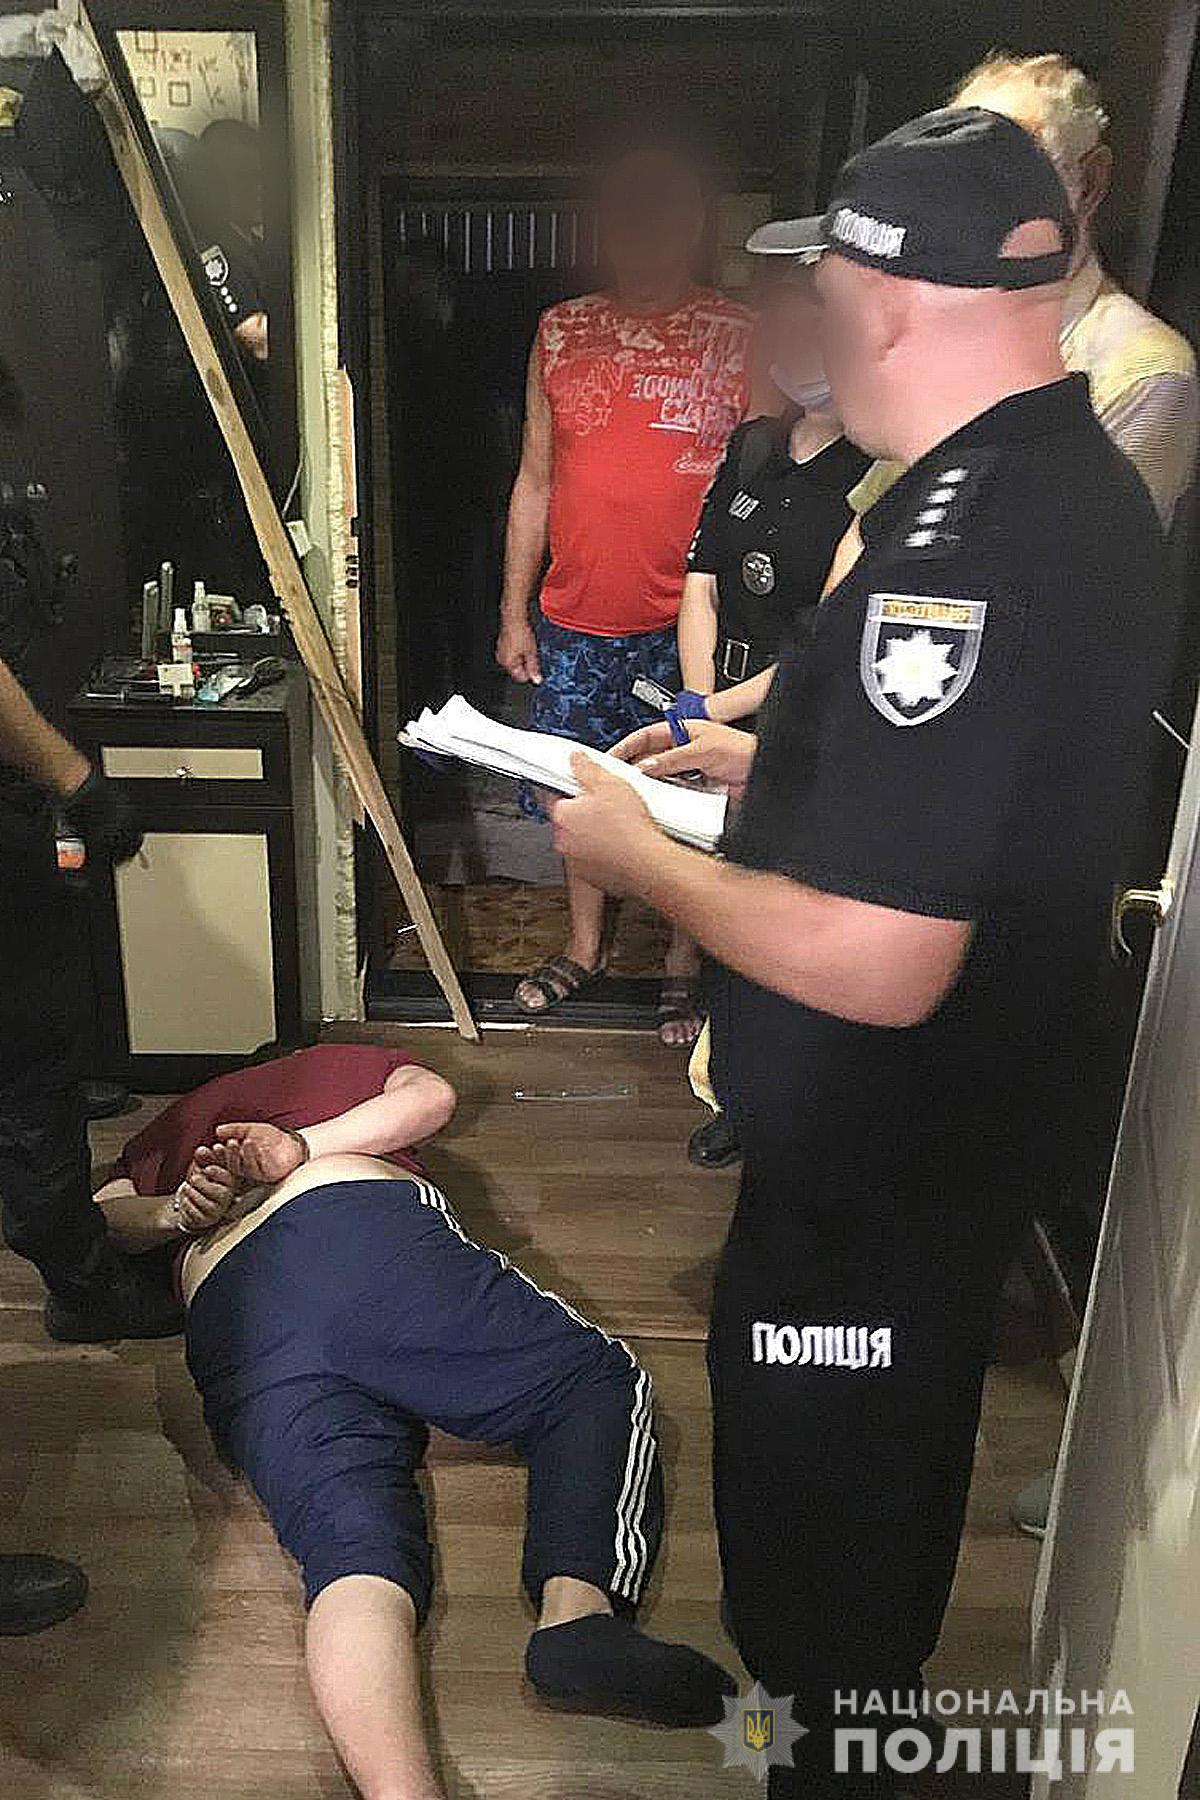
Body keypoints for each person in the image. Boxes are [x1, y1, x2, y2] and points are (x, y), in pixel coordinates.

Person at [546, 109, 1176, 1796]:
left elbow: (888, 958)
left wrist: (631, 857)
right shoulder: (1057, 483)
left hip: (881, 1175)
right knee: (854, 1534)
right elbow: (983, 798)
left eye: (823, 285)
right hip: (924, 1159)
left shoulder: (960, 553)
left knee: (827, 1570)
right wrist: (773, 767)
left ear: (883, 300)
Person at [94, 1042, 736, 1800]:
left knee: (350, 1553)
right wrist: (299, 1147)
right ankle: (576, 1616)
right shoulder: (336, 1061)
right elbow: (430, 1099)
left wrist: (178, 1211)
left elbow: (99, 1220)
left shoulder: (162, 1133)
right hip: (351, 1224)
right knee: (592, 1383)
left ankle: (401, 1793)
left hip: (231, 1313)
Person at [495, 134, 751, 1044]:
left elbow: (763, 482)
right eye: (627, 221)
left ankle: (683, 962)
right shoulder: (560, 330)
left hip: (690, 627)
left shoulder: (740, 333)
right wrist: (513, 612)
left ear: (692, 225)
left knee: (690, 795)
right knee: (573, 790)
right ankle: (585, 946)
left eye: (662, 220)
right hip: (573, 619)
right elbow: (534, 478)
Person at [675, 252, 869, 1169]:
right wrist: (694, 697)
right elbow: (702, 581)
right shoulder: (752, 445)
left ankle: (775, 1100)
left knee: (780, 904)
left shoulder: (874, 473)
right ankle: (729, 1087)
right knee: (719, 882)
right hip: (714, 696)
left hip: (798, 712)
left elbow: (826, 637)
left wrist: (721, 708)